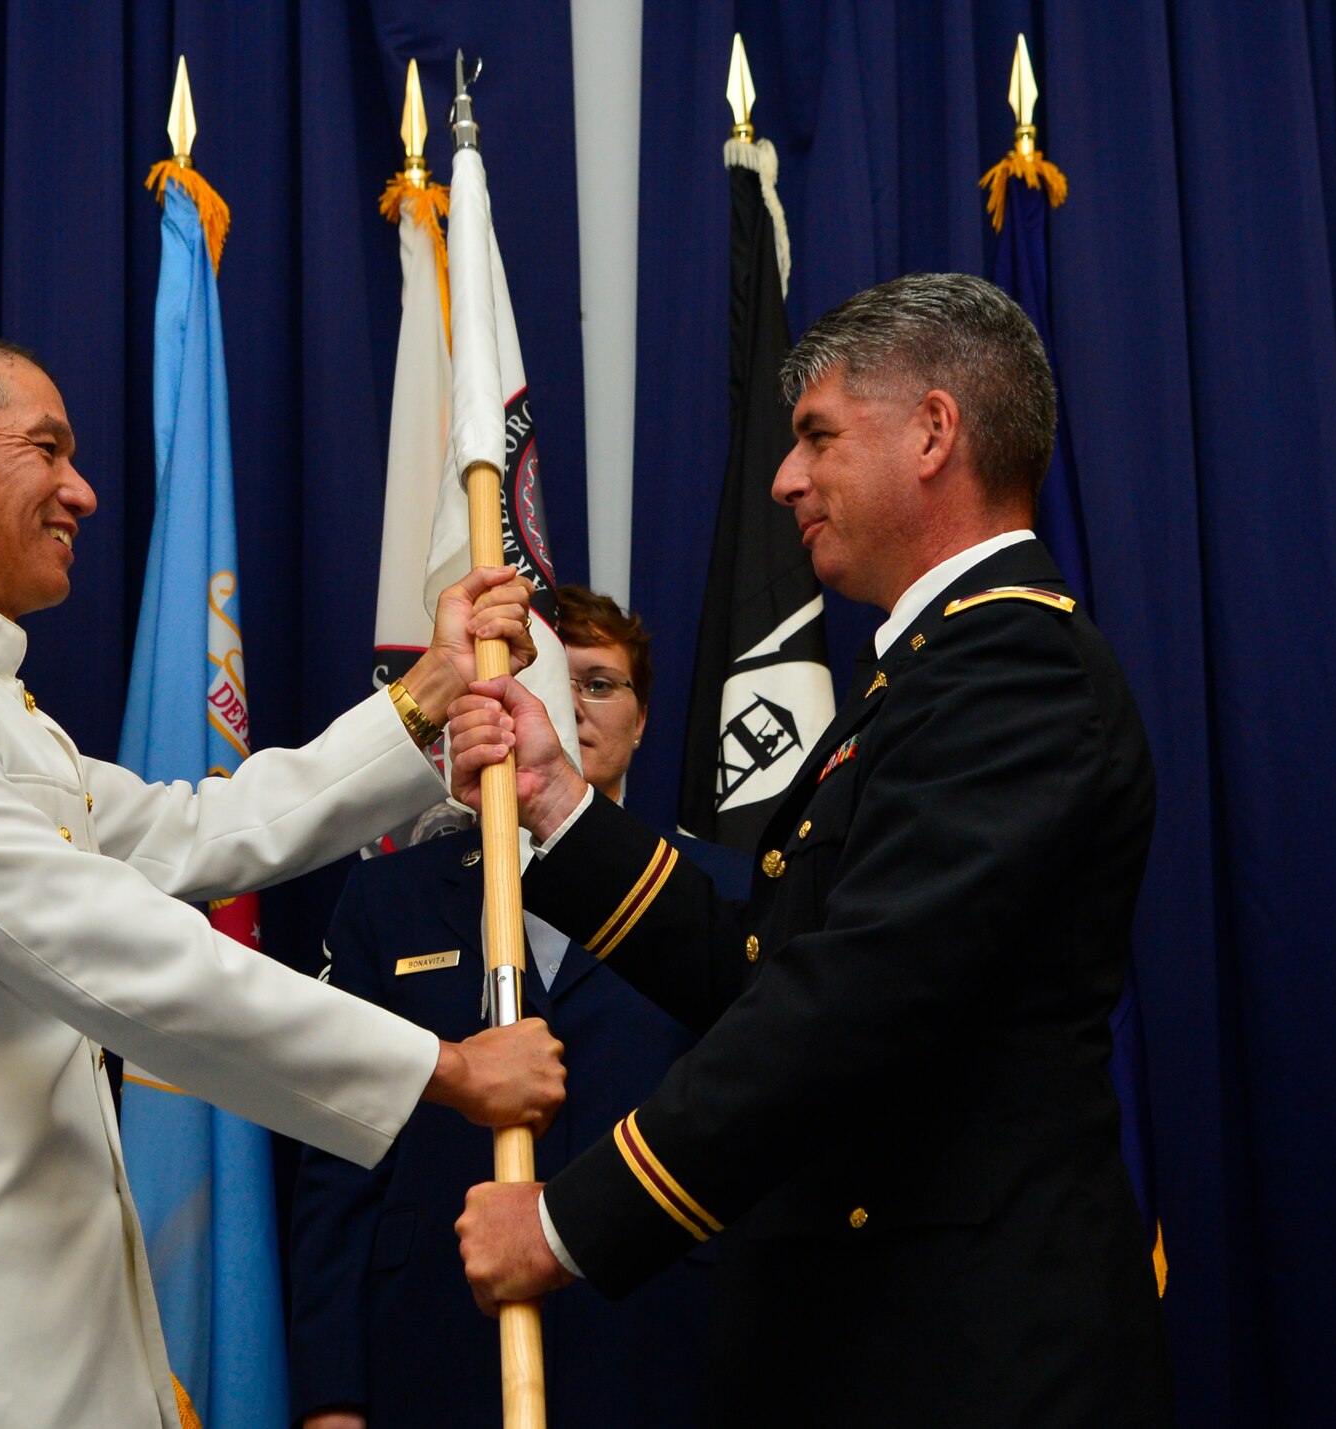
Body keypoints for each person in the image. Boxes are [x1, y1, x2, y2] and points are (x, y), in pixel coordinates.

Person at [0, 331, 566, 1429]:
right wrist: (445, 1065)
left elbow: (193, 831)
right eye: (46, 448)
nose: (81, 491)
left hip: (69, 1334)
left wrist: (423, 698)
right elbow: (110, 945)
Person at [448, 274, 1175, 1424]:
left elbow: (851, 1000)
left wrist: (567, 1220)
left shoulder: (1010, 672)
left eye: (816, 437)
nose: (784, 477)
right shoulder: (926, 672)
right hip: (877, 1339)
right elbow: (765, 970)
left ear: (932, 431)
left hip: (964, 1356)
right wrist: (552, 804)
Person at [287, 588, 741, 1429]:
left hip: (658, 1339)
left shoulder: (722, 896)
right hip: (433, 1341)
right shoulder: (388, 899)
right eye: (537, 675)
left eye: (599, 682)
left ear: (644, 721)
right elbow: (340, 1154)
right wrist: (330, 1394)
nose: (566, 703)